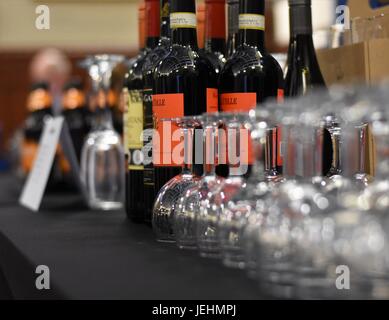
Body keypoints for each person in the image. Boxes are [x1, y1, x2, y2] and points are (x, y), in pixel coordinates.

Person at [29, 48, 72, 114]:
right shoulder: (34, 102)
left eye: (53, 77)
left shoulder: (73, 101)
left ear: (64, 77)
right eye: (38, 80)